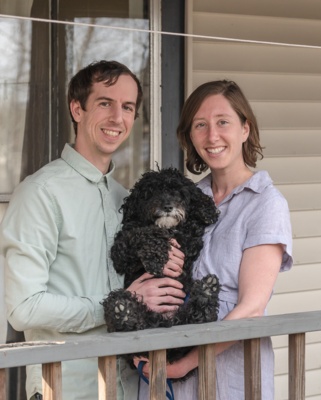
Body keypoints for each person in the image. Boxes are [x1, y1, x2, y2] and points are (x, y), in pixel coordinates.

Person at [0, 60, 185, 400]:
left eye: (127, 107)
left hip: (129, 385)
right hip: (66, 386)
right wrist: (119, 304)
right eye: (105, 103)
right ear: (77, 109)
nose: (118, 117)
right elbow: (24, 307)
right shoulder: (40, 193)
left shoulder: (124, 199)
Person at [136, 80, 293, 400]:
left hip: (228, 370)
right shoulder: (186, 200)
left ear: (245, 129)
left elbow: (250, 308)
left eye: (223, 122)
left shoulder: (265, 203)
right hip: (167, 361)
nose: (212, 136)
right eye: (200, 125)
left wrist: (185, 363)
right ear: (190, 136)